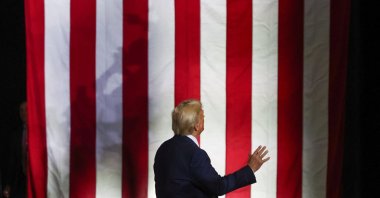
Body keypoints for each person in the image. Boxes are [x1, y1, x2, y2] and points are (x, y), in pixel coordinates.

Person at [154, 99, 270, 197]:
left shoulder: (162, 150)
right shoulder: (194, 153)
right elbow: (218, 186)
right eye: (203, 117)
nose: (204, 119)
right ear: (197, 125)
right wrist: (250, 169)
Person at [3, 101, 27, 198]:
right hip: (20, 181)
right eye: (21, 110)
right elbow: (12, 161)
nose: (24, 113)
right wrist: (8, 184)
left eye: (26, 110)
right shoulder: (16, 135)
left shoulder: (40, 132)